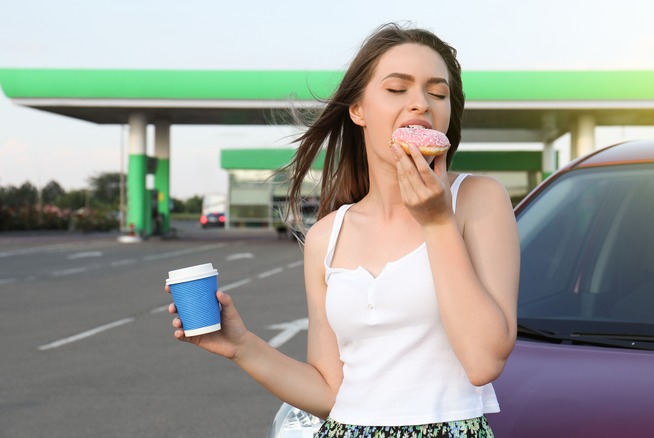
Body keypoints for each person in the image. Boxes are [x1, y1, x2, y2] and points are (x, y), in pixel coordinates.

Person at [167, 22, 520, 438]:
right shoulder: (327, 236)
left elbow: (484, 362)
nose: (420, 104)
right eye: (396, 89)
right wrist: (241, 347)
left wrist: (437, 220)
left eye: (437, 93)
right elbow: (332, 393)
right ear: (358, 110)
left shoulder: (477, 200)